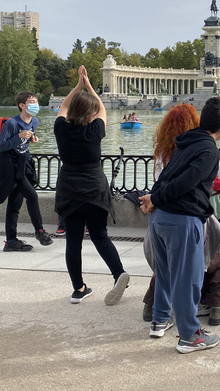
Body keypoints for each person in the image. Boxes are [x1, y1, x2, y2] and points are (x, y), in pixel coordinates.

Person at [141, 105, 220, 327]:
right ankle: (209, 312)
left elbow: (161, 181)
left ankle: (155, 310)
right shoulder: (204, 149)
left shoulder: (170, 149)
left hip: (160, 212)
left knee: (165, 265)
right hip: (189, 213)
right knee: (215, 260)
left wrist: (154, 199)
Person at [139, 97, 220, 354]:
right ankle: (190, 336)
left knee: (165, 273)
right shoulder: (209, 150)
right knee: (188, 280)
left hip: (159, 219)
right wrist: (156, 198)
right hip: (182, 221)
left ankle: (159, 320)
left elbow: (168, 175)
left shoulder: (185, 140)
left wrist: (153, 199)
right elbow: (186, 183)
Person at [54, 66, 129, 305]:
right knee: (99, 234)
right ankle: (118, 274)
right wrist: (89, 87)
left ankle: (79, 289)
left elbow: (63, 107)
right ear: (91, 112)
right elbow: (102, 108)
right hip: (95, 189)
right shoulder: (95, 129)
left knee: (73, 241)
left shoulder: (61, 129)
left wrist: (77, 86)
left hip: (69, 190)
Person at [0, 91, 53, 251]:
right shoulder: (12, 124)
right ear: (22, 106)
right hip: (10, 165)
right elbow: (2, 146)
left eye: (36, 101)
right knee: (32, 196)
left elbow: (27, 139)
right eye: (31, 102)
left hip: (23, 164)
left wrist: (31, 138)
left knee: (15, 203)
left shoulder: (34, 121)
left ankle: (10, 241)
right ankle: (40, 231)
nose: (35, 104)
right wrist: (19, 136)